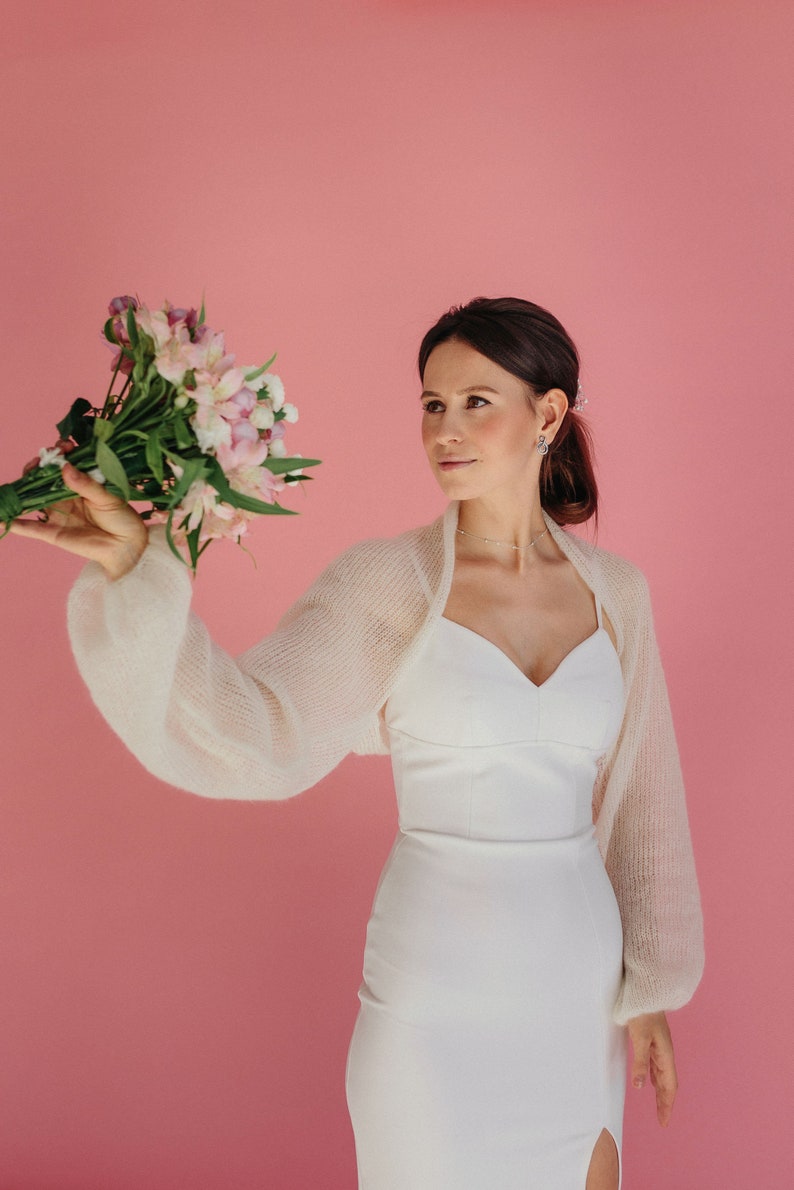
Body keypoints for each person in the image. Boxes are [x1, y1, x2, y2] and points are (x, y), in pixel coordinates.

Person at [10, 297, 704, 1189]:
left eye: (474, 402)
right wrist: (133, 568)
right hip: (434, 995)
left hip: (576, 993)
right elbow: (257, 724)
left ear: (551, 415)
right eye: (430, 404)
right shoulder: (388, 583)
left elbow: (645, 792)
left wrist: (648, 991)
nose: (444, 430)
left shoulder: (620, 596)